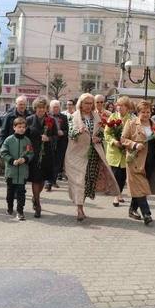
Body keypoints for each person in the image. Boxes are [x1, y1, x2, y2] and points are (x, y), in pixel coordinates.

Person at [66, 93, 119, 221]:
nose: (89, 106)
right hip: (77, 154)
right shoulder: (73, 117)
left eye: (91, 103)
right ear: (81, 104)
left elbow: (103, 134)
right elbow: (71, 133)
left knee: (88, 181)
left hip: (93, 154)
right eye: (86, 103)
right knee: (79, 181)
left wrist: (97, 138)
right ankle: (79, 209)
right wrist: (78, 131)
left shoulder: (96, 117)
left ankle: (81, 205)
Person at [26, 96, 57, 218]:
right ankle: (38, 205)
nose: (41, 110)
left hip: (47, 154)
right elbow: (25, 136)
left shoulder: (51, 120)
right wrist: (27, 149)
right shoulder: (29, 120)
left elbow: (56, 136)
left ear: (46, 109)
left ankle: (35, 197)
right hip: (33, 154)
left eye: (43, 107)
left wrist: (48, 138)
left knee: (43, 179)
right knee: (35, 179)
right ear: (35, 108)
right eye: (38, 107)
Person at [0, 117, 35, 220]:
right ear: (14, 127)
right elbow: (3, 152)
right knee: (10, 192)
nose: (21, 129)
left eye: (24, 127)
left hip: (23, 172)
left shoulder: (27, 140)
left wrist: (25, 159)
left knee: (21, 192)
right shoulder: (9, 140)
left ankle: (20, 211)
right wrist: (12, 160)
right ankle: (10, 207)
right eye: (19, 127)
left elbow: (31, 153)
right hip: (11, 172)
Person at [104, 96, 134, 207]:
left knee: (122, 177)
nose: (119, 107)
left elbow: (134, 135)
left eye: (121, 105)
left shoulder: (132, 119)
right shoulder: (112, 116)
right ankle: (116, 196)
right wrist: (113, 141)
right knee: (115, 175)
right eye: (118, 105)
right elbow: (107, 133)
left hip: (126, 153)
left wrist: (127, 143)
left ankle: (119, 193)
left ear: (127, 107)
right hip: (114, 152)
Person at [47, 100, 68, 190]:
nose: (56, 109)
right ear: (50, 108)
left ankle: (53, 180)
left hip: (61, 143)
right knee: (49, 162)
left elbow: (68, 130)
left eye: (57, 107)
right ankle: (48, 182)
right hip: (50, 142)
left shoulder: (64, 117)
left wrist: (63, 132)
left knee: (58, 163)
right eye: (54, 107)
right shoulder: (47, 116)